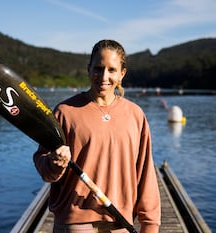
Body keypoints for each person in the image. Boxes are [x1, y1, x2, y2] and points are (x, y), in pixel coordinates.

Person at [33, 39, 161, 233]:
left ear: (122, 74)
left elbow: (145, 173)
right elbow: (44, 167)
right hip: (75, 223)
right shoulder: (65, 112)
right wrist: (54, 162)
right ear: (89, 69)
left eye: (111, 70)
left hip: (121, 224)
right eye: (98, 68)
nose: (104, 76)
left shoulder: (135, 115)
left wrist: (150, 224)